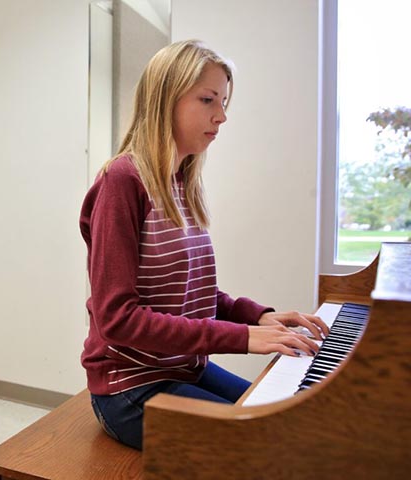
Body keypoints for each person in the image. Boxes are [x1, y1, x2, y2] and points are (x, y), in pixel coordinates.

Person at [79, 39, 330, 451]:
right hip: (130, 390)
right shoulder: (121, 182)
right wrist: (242, 336)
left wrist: (257, 316)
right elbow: (117, 319)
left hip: (183, 370)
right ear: (166, 99)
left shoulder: (180, 182)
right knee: (267, 446)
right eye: (208, 99)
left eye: (224, 101)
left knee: (291, 416)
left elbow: (185, 290)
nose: (223, 115)